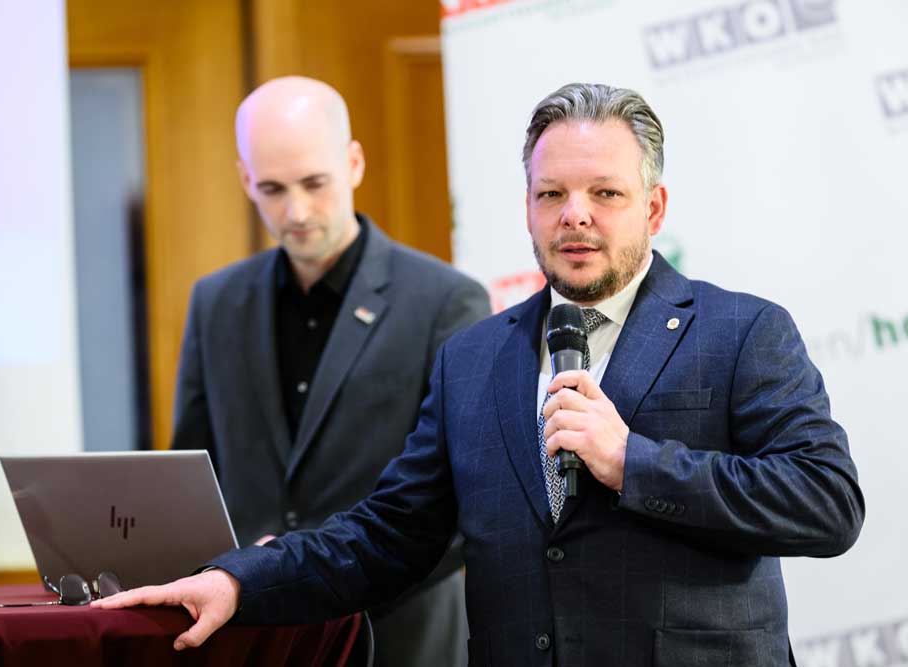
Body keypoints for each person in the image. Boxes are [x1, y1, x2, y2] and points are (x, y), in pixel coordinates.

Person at [96, 82, 865, 667]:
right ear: (527, 208)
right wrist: (240, 580)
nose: (575, 215)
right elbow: (387, 536)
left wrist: (634, 460)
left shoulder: (743, 330)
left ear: (654, 207)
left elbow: (827, 504)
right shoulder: (475, 358)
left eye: (604, 193)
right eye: (552, 193)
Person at [165, 76, 489, 666]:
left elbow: (465, 503)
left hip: (398, 635)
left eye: (315, 183)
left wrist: (317, 576)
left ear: (354, 163)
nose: (296, 211)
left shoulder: (446, 301)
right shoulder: (216, 302)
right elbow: (194, 475)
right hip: (250, 638)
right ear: (245, 181)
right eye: (272, 188)